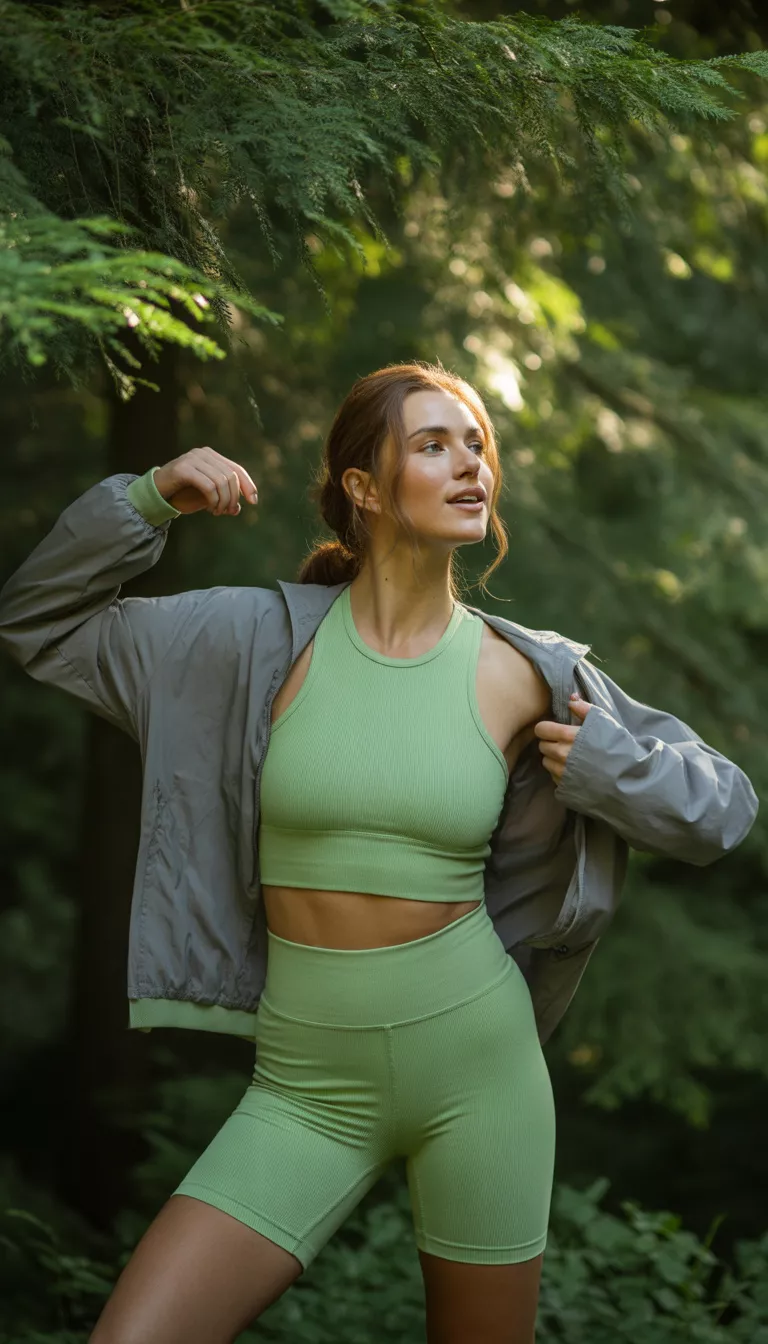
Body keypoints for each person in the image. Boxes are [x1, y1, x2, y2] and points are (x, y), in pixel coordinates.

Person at [0, 362, 757, 1344]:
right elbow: (37, 621)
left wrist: (609, 765)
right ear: (364, 486)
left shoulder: (528, 671)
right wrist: (152, 498)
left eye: (476, 442)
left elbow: (723, 809)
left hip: (479, 1076)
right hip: (305, 1088)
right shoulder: (247, 644)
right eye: (433, 444)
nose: (469, 464)